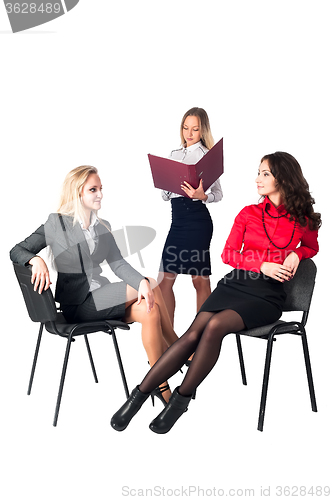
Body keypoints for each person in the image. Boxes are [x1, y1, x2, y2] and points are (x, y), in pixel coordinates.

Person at [111, 151, 321, 434]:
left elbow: (312, 246)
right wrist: (262, 264)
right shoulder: (248, 214)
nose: (257, 179)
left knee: (215, 327)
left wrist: (297, 253)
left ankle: (179, 403)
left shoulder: (302, 219)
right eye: (258, 172)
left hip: (267, 296)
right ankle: (137, 397)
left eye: (265, 174)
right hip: (236, 283)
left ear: (283, 178)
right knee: (193, 333)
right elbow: (228, 254)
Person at [10, 165, 179, 404]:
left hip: (101, 296)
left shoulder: (103, 227)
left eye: (100, 189)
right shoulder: (56, 224)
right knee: (151, 284)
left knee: (150, 310)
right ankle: (177, 346)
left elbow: (118, 264)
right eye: (93, 189)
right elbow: (17, 250)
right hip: (79, 305)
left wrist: (139, 282)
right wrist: (35, 259)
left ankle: (158, 384)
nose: (100, 194)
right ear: (78, 193)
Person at [159, 107, 223, 326]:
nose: (189, 133)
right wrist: (166, 188)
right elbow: (165, 196)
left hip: (198, 222)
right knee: (164, 281)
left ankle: (199, 340)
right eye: (186, 128)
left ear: (202, 130)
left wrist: (202, 196)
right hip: (177, 223)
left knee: (200, 281)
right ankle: (169, 340)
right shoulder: (174, 155)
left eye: (195, 129)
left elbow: (218, 194)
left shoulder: (207, 156)